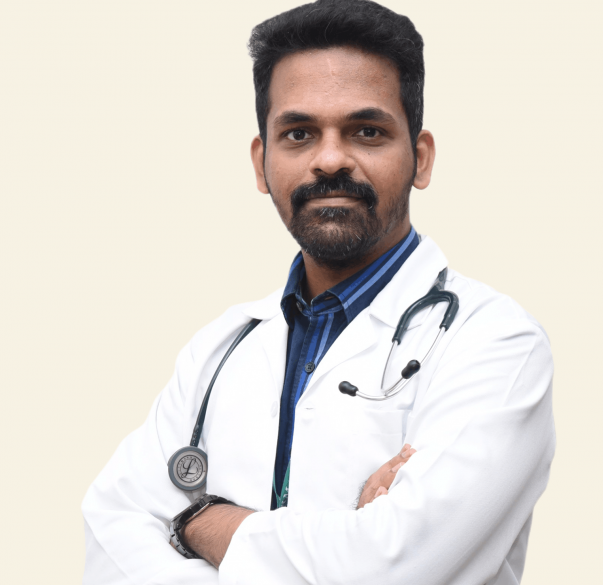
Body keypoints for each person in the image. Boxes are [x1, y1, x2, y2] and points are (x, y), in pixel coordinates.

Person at [82, 1, 555, 583]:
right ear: (262, 163)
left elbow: (389, 569)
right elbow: (110, 534)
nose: (330, 159)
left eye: (367, 131)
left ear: (420, 158)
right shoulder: (218, 350)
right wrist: (341, 542)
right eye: (299, 134)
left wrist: (195, 522)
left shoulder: (497, 344)